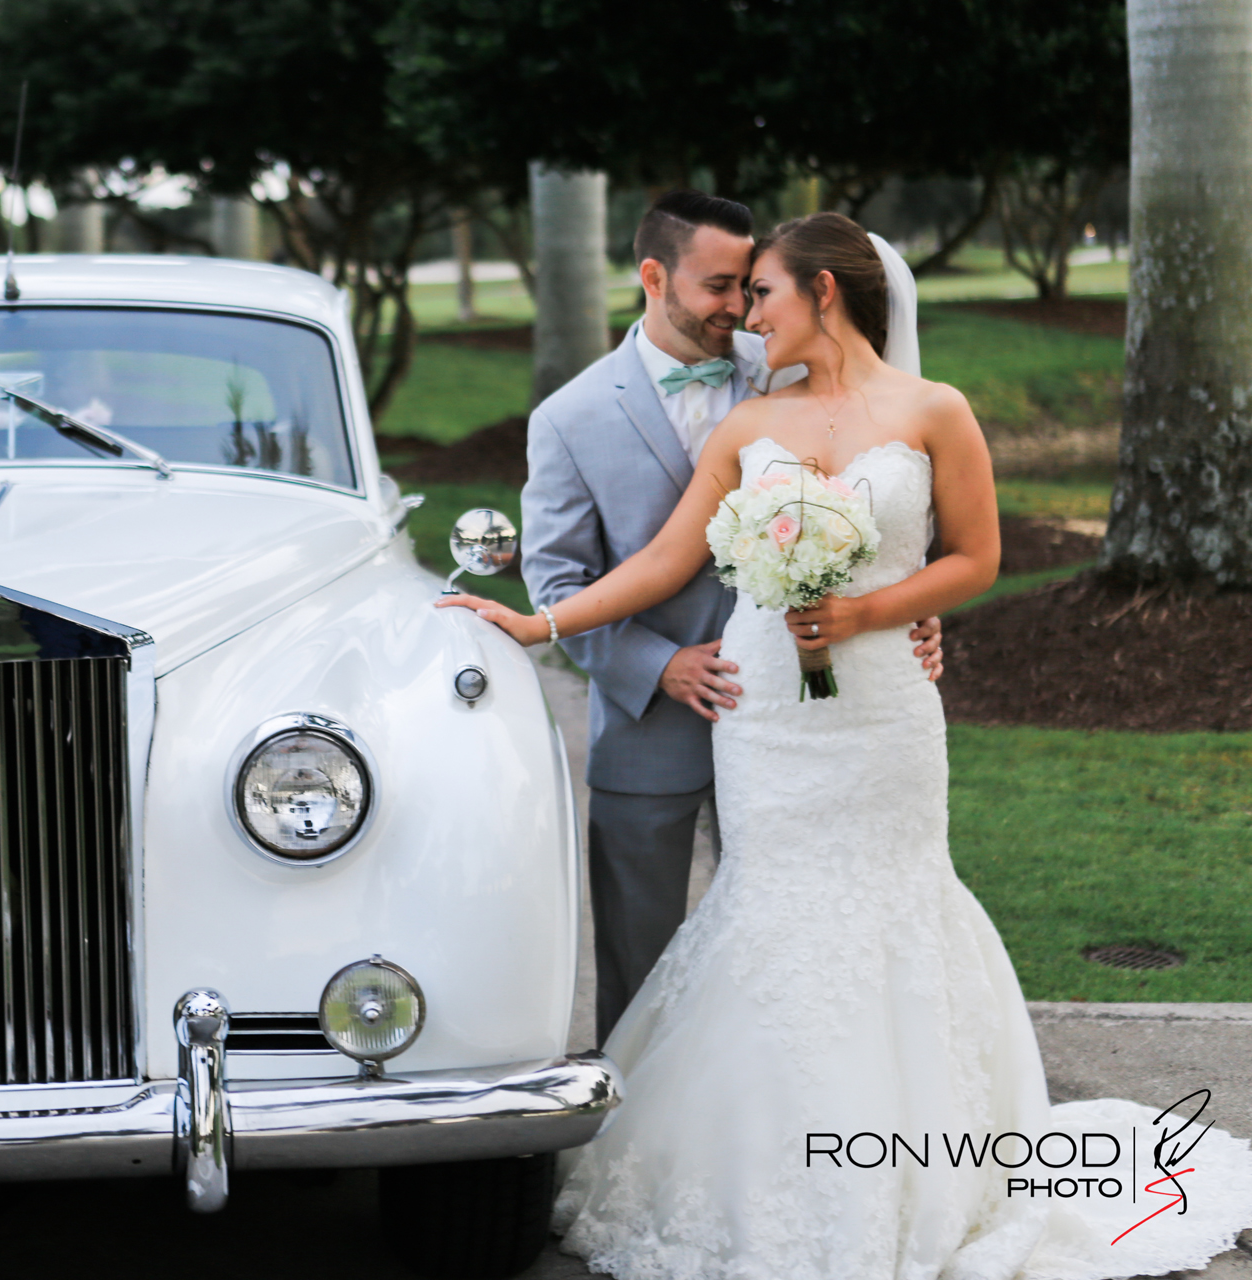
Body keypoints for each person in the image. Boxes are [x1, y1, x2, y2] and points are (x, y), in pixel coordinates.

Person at [447, 212, 1252, 1278]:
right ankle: (775, 1161)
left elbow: (977, 556)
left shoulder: (935, 410)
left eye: (765, 294)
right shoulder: (748, 427)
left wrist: (875, 614)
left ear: (823, 293)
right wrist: (537, 623)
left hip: (883, 712)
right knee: (774, 912)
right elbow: (659, 561)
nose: (746, 316)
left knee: (896, 899)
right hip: (768, 713)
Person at [518, 190, 942, 1043]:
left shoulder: (793, 364)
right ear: (653, 276)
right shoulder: (567, 418)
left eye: (752, 285)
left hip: (810, 713)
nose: (740, 309)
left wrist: (902, 614)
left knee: (808, 933)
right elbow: (557, 578)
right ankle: (641, 1128)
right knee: (642, 958)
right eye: (719, 286)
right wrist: (654, 664)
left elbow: (888, 509)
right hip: (652, 724)